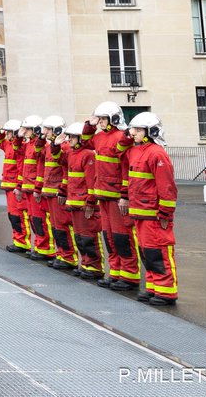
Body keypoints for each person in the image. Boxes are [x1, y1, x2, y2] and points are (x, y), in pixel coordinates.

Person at [124, 112, 178, 306]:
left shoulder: (157, 153)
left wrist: (165, 212)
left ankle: (166, 291)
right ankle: (153, 287)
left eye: (138, 130)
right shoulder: (137, 151)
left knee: (159, 252)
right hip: (140, 212)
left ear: (150, 132)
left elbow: (167, 187)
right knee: (146, 252)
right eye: (133, 129)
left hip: (154, 215)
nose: (133, 133)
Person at [87, 101, 138, 291]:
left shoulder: (121, 138)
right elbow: (84, 141)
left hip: (117, 196)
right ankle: (115, 273)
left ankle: (129, 276)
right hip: (103, 194)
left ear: (113, 119)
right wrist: (89, 125)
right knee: (109, 236)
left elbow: (126, 169)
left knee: (121, 237)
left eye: (102, 118)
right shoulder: (99, 137)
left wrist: (124, 195)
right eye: (98, 119)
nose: (99, 122)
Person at [62, 120, 103, 280]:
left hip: (85, 204)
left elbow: (91, 181)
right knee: (79, 236)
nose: (69, 139)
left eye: (72, 137)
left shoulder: (88, 154)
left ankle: (95, 267)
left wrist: (91, 202)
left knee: (89, 236)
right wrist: (56, 144)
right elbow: (58, 159)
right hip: (74, 202)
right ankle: (86, 264)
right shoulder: (72, 154)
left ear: (80, 138)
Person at [39, 116, 77, 271]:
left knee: (62, 226)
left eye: (48, 129)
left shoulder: (66, 147)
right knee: (55, 226)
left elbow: (66, 171)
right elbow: (37, 152)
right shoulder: (50, 146)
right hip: (50, 191)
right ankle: (61, 254)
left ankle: (69, 257)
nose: (44, 132)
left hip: (58, 192)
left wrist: (62, 189)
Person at [19, 114, 54, 260]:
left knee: (41, 220)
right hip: (28, 187)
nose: (24, 131)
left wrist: (38, 188)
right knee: (34, 220)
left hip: (35, 188)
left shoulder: (42, 146)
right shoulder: (28, 144)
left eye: (27, 129)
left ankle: (47, 249)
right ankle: (39, 246)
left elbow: (40, 169)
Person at [0, 119, 29, 253]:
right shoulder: (7, 144)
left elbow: (21, 168)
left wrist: (19, 186)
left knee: (18, 215)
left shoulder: (20, 147)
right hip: (8, 186)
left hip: (15, 186)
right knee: (12, 216)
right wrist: (0, 131)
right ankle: (17, 240)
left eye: (9, 132)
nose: (7, 135)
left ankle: (22, 242)